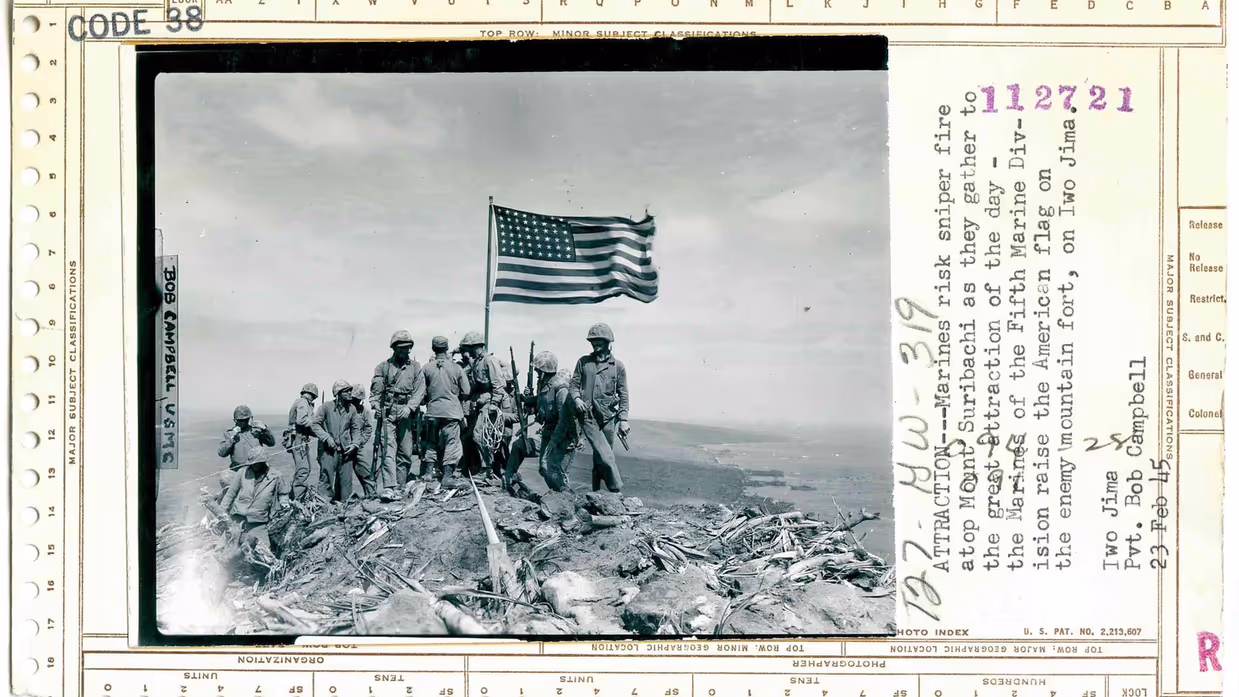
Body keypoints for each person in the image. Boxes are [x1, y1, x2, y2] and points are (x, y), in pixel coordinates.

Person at [570, 323, 630, 493]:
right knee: (606, 455)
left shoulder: (618, 366)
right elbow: (573, 384)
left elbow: (623, 393)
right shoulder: (584, 362)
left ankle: (596, 493)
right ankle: (616, 492)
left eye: (599, 341)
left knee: (600, 458)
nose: (595, 344)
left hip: (608, 419)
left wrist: (624, 419)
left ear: (607, 342)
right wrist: (576, 399)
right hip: (588, 417)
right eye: (593, 341)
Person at [505, 350, 577, 492]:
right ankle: (508, 478)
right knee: (522, 449)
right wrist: (526, 400)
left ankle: (566, 498)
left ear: (544, 371)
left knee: (551, 469)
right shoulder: (544, 384)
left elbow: (566, 419)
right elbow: (540, 400)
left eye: (538, 370)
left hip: (562, 437)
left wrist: (554, 441)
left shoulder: (561, 388)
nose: (537, 372)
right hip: (548, 433)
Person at [370, 330, 427, 491]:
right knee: (388, 450)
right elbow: (375, 394)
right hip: (388, 411)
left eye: (408, 347)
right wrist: (376, 406)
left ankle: (401, 485)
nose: (405, 351)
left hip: (406, 412)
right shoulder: (382, 367)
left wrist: (409, 407)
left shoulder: (415, 367)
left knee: (406, 452)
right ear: (394, 348)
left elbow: (419, 391)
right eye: (401, 348)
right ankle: (389, 486)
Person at [214, 446, 290, 565]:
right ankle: (225, 570)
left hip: (258, 521)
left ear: (263, 462)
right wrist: (221, 515)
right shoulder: (242, 472)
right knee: (226, 548)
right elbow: (230, 495)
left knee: (264, 552)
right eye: (251, 463)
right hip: (237, 518)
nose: (253, 466)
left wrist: (284, 503)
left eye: (256, 463)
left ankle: (258, 575)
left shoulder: (276, 476)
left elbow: (283, 494)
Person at [420, 335, 471, 485]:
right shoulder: (456, 368)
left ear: (433, 349)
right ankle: (447, 477)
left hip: (433, 412)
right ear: (447, 348)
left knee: (432, 442)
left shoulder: (426, 368)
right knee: (452, 443)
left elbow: (421, 393)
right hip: (451, 412)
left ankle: (429, 473)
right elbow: (466, 390)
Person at [459, 331, 506, 479]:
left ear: (475, 347)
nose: (467, 351)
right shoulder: (477, 361)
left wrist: (493, 404)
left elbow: (498, 384)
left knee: (480, 436)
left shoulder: (489, 361)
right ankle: (480, 467)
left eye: (468, 348)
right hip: (478, 403)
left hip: (488, 403)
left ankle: (488, 469)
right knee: (471, 436)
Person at [311, 380, 364, 503]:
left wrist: (355, 444)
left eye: (350, 390)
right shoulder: (326, 407)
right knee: (326, 479)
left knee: (346, 482)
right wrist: (326, 438)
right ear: (338, 393)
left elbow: (356, 429)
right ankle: (323, 506)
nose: (350, 393)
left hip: (346, 451)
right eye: (346, 391)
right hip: (329, 451)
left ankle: (345, 507)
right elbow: (315, 425)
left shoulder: (352, 409)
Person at [217, 405, 276, 492]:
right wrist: (232, 438)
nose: (243, 423)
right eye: (240, 421)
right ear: (235, 420)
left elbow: (271, 443)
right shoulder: (230, 434)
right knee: (225, 477)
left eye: (245, 420)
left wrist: (265, 430)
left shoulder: (256, 431)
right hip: (237, 471)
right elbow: (221, 453)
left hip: (257, 470)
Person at [283, 384, 319, 500]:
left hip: (300, 439)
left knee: (304, 469)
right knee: (303, 470)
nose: (313, 399)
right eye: (313, 396)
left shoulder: (302, 402)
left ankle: (294, 496)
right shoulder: (303, 402)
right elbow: (301, 420)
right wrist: (316, 423)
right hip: (298, 440)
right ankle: (297, 499)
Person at [350, 382, 378, 499]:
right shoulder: (345, 410)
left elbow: (368, 429)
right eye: (354, 399)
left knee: (364, 470)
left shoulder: (364, 412)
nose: (356, 402)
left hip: (358, 446)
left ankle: (370, 494)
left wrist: (359, 442)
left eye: (358, 400)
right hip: (343, 445)